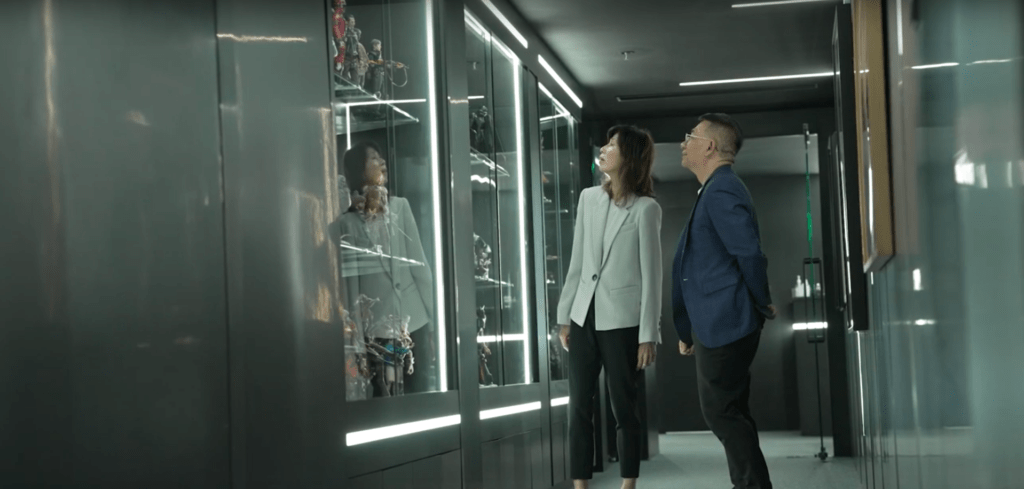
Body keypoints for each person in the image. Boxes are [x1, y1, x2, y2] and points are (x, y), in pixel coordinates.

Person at [672, 113, 777, 489]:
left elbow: (749, 253)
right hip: (716, 321)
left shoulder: (722, 189)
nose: (684, 142)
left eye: (691, 136)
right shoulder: (716, 188)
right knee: (730, 411)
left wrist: (762, 302)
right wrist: (687, 326)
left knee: (722, 412)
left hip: (726, 320)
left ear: (710, 146)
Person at [558, 125, 662, 489]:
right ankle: (580, 484)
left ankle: (628, 483)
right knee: (578, 409)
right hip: (583, 316)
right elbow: (577, 262)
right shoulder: (588, 198)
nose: (604, 148)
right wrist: (564, 316)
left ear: (629, 157)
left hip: (623, 321)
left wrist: (649, 334)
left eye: (613, 145)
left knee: (624, 409)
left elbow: (653, 276)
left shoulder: (646, 209)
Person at [338, 141, 435, 397]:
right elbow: (351, 286)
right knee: (384, 398)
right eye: (373, 158)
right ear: (359, 171)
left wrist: (435, 320)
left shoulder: (400, 206)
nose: (382, 162)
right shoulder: (347, 222)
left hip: (413, 320)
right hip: (377, 330)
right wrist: (357, 340)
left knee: (420, 390)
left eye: (381, 158)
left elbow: (420, 265)